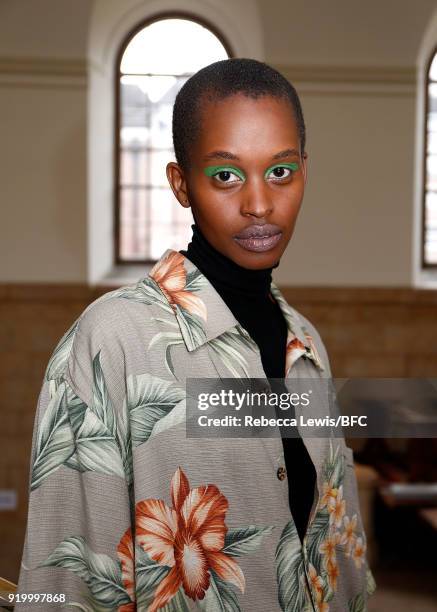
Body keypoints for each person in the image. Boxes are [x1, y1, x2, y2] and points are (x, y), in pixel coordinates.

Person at [15, 58, 376, 611]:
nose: (259, 204)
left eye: (279, 170)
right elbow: (70, 586)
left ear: (305, 168)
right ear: (181, 184)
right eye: (226, 175)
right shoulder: (112, 341)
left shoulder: (306, 344)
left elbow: (335, 553)